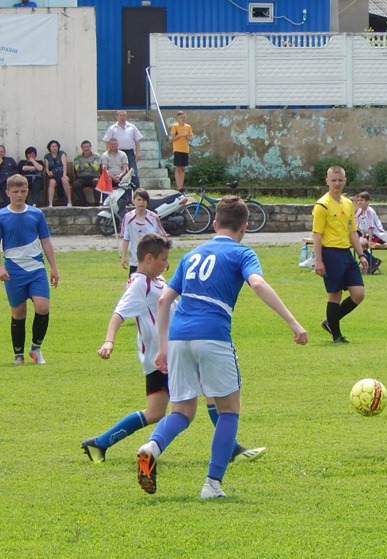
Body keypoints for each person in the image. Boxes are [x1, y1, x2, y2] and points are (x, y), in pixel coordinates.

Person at [135, 196, 308, 499]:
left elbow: (164, 300)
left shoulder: (191, 255)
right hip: (212, 334)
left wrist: (162, 348)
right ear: (244, 227)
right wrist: (293, 323)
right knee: (228, 410)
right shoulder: (242, 252)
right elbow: (256, 284)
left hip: (178, 337)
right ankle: (211, 485)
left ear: (214, 224)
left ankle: (151, 447)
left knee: (182, 411)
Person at [83, 233, 266, 465]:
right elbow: (119, 313)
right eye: (163, 259)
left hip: (175, 351)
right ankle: (230, 449)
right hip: (163, 356)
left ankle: (100, 443)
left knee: (158, 412)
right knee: (206, 396)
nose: (167, 264)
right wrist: (109, 341)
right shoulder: (140, 283)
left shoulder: (158, 281)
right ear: (148, 259)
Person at [0, 174, 60, 365]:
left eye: (23, 191)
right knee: (18, 313)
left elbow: (46, 241)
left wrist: (54, 268)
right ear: (7, 192)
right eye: (15, 191)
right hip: (13, 270)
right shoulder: (2, 216)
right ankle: (18, 354)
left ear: (27, 192)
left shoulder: (36, 214)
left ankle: (36, 349)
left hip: (36, 268)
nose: (19, 195)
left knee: (42, 307)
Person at [311, 166, 368, 343]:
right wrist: (318, 261)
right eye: (333, 180)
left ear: (345, 180)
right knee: (335, 294)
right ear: (327, 181)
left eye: (340, 180)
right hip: (330, 253)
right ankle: (336, 335)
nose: (337, 183)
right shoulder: (322, 205)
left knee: (358, 294)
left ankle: (330, 322)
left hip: (346, 253)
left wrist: (361, 255)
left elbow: (353, 232)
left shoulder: (348, 203)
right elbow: (317, 235)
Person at [120, 189, 167, 276]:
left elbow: (163, 239)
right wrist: (123, 256)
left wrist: (165, 259)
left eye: (144, 200)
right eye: (139, 199)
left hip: (152, 261)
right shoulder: (128, 218)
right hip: (135, 261)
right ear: (133, 201)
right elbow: (126, 239)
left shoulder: (153, 218)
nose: (141, 202)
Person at [102, 110, 143, 189]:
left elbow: (137, 141)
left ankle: (137, 193)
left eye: (124, 115)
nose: (122, 117)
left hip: (129, 152)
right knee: (121, 173)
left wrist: (137, 153)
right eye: (120, 115)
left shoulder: (132, 127)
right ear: (117, 117)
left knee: (133, 172)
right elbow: (107, 141)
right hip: (117, 153)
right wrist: (108, 153)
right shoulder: (112, 128)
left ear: (126, 117)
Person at [354, 191, 386, 274]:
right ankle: (372, 262)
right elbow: (362, 228)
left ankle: (373, 261)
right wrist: (363, 238)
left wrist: (369, 241)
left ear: (367, 201)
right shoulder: (360, 212)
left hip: (377, 235)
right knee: (358, 243)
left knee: (358, 244)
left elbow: (371, 227)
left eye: (362, 200)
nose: (359, 202)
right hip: (369, 235)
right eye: (358, 200)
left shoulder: (369, 211)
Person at [100, 138, 130, 206]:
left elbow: (125, 168)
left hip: (121, 175)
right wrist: (113, 177)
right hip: (110, 176)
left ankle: (128, 202)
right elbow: (104, 169)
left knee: (127, 182)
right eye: (111, 144)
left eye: (115, 144)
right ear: (109, 145)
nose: (113, 145)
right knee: (106, 180)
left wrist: (120, 175)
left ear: (117, 144)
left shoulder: (123, 154)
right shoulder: (105, 155)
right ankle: (105, 202)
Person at [43, 140, 72, 208]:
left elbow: (64, 165)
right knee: (52, 182)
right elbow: (46, 168)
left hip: (62, 173)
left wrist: (64, 175)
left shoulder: (62, 154)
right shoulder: (47, 156)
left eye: (56, 146)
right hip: (53, 176)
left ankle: (69, 202)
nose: (54, 148)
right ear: (49, 148)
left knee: (64, 180)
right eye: (52, 146)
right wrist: (48, 172)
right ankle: (50, 204)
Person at [72, 140, 100, 206]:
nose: (86, 148)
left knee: (97, 182)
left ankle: (97, 203)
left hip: (93, 177)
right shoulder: (77, 157)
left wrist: (83, 166)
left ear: (90, 147)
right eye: (84, 147)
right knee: (76, 184)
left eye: (88, 146)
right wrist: (89, 165)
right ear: (82, 148)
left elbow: (96, 168)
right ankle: (84, 202)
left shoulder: (96, 156)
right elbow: (77, 169)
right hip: (81, 178)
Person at [170, 111, 192, 192]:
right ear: (178, 118)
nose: (183, 119)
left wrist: (187, 136)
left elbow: (190, 138)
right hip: (177, 149)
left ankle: (181, 186)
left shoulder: (188, 127)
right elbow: (173, 138)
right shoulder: (175, 126)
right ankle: (178, 186)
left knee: (183, 168)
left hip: (185, 149)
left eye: (184, 117)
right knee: (178, 167)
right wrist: (180, 135)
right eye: (181, 117)